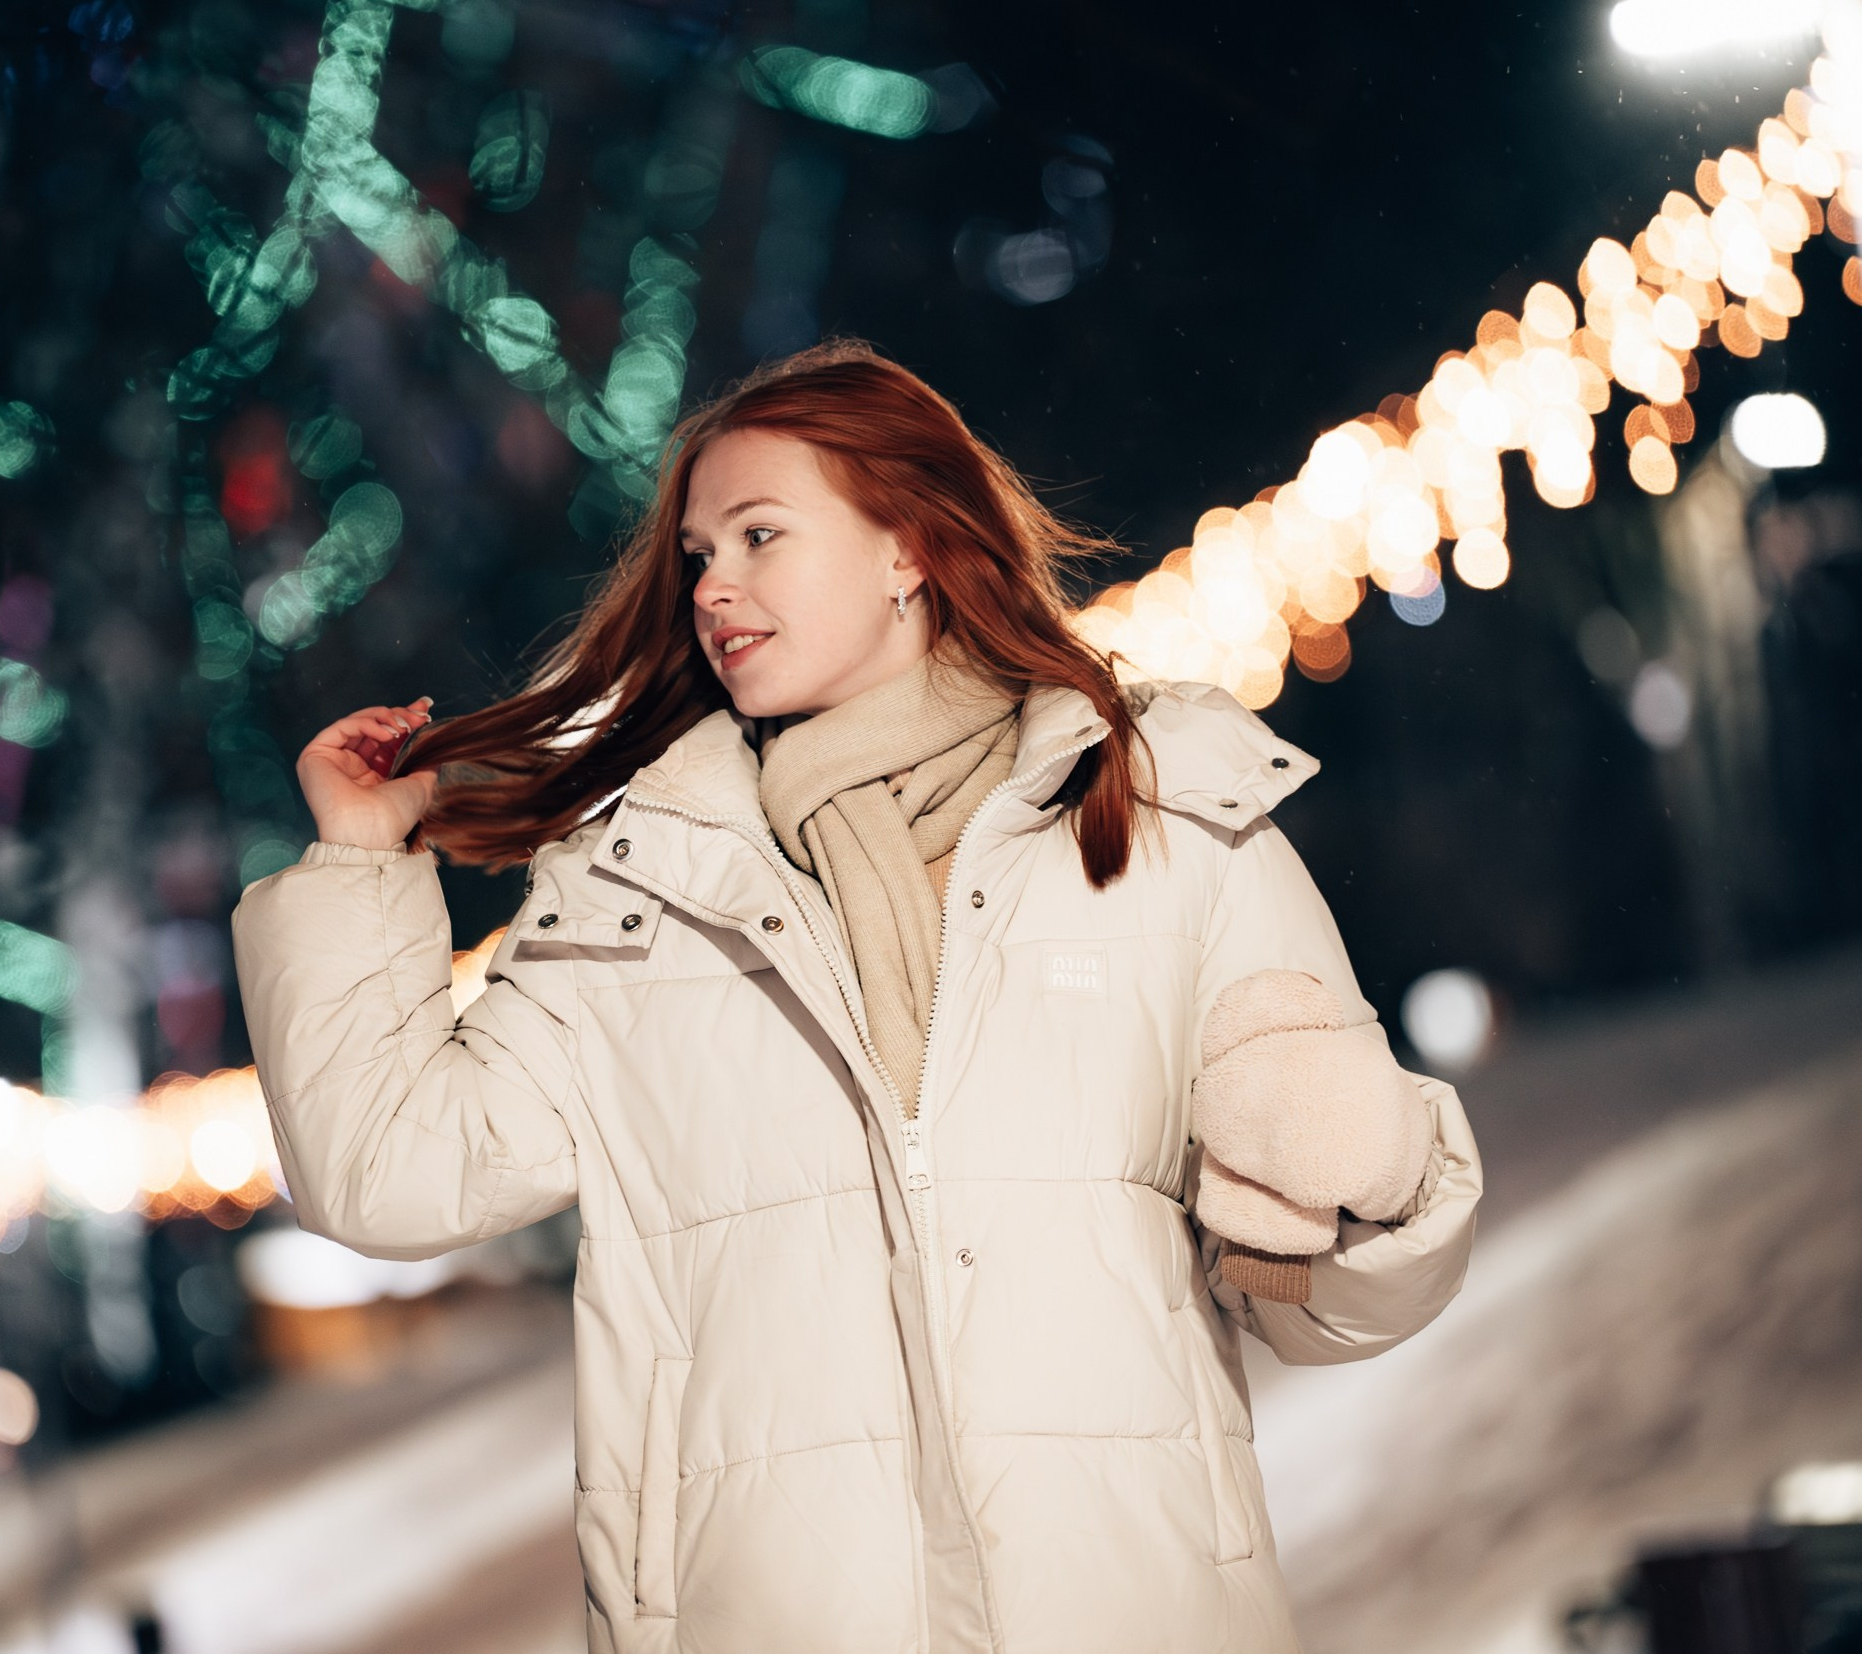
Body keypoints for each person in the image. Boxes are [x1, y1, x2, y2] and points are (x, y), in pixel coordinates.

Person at [232, 339, 1481, 1653]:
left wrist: (1364, 1186)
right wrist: (361, 861)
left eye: (761, 535)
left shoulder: (1163, 824)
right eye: (701, 556)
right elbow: (391, 1176)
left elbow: (1312, 1303)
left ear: (908, 548)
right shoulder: (642, 891)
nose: (717, 586)